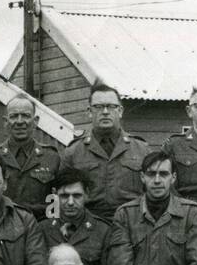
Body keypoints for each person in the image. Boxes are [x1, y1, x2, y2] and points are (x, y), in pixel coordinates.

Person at [106, 150, 197, 265]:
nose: (157, 180)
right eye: (151, 174)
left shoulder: (192, 213)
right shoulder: (125, 214)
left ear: (173, 178)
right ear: (142, 177)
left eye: (163, 174)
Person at [59, 84, 150, 219]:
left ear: (120, 111)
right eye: (98, 107)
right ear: (89, 111)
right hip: (89, 227)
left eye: (111, 106)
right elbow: (62, 195)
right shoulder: (74, 151)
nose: (105, 111)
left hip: (131, 224)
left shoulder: (141, 149)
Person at [0, 95, 62, 220]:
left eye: (25, 116)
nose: (20, 121)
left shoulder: (52, 157)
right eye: (14, 116)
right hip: (2, 228)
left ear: (36, 121)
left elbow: (58, 201)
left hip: (40, 230)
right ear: (6, 122)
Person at [38, 167, 113, 265]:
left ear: (87, 194)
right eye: (64, 196)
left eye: (77, 196)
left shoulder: (103, 231)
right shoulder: (42, 229)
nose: (71, 202)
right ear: (54, 194)